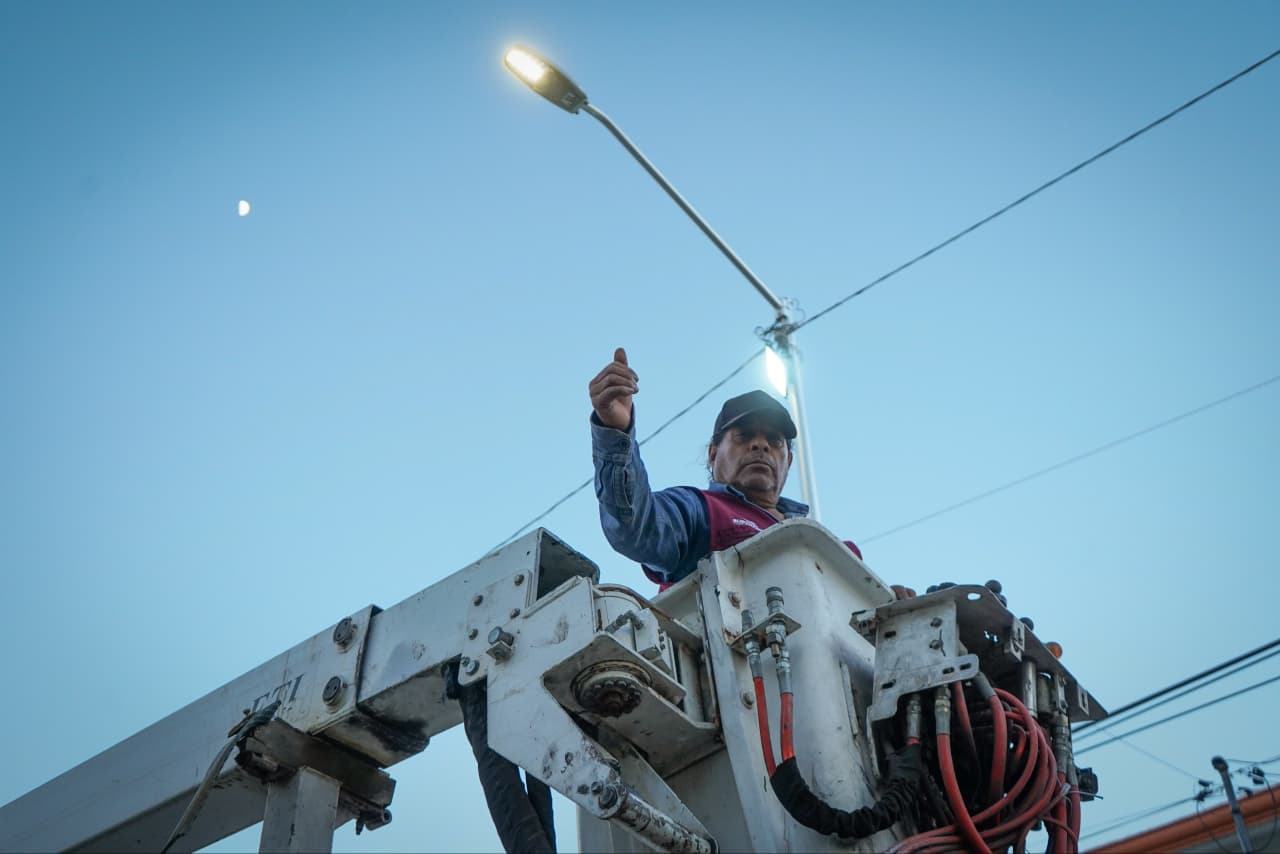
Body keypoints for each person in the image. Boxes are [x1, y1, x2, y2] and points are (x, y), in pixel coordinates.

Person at [589, 347, 904, 593]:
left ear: (788, 462)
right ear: (713, 455)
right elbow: (635, 528)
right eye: (744, 435)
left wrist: (894, 605)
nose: (760, 445)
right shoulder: (699, 511)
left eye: (775, 440)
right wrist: (615, 432)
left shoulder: (826, 547)